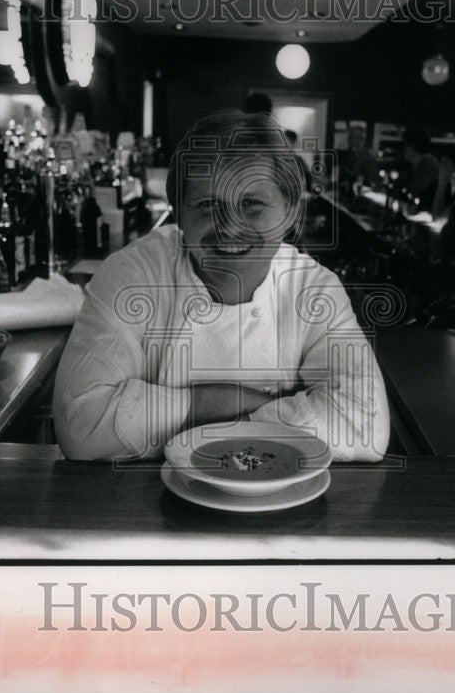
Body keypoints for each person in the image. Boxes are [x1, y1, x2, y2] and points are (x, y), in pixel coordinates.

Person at [53, 110, 389, 462]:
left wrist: (188, 422)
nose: (229, 226)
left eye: (251, 204)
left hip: (280, 504)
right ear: (179, 213)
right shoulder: (133, 274)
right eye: (207, 204)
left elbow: (367, 426)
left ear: (289, 212)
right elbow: (81, 426)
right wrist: (230, 401)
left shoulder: (313, 290)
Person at [337, 124, 378, 198]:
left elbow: (372, 183)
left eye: (358, 138)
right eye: (351, 138)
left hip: (363, 199)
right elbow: (340, 178)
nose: (354, 141)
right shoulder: (346, 158)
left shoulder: (369, 160)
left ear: (363, 140)